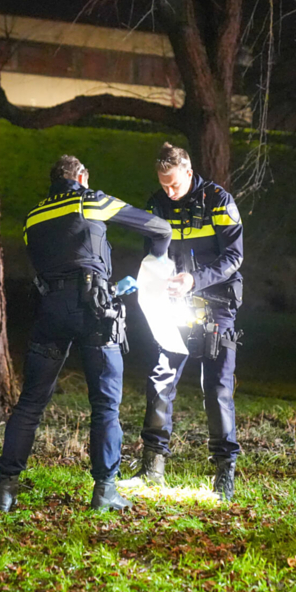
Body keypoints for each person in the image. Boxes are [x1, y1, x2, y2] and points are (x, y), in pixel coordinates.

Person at [0, 155, 172, 512]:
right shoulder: (89, 199)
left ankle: (5, 490)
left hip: (49, 310)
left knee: (30, 403)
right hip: (94, 312)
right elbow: (159, 227)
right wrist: (158, 263)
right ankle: (105, 489)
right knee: (105, 405)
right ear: (80, 176)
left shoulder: (33, 216)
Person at [120, 143, 244, 501]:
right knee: (161, 377)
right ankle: (152, 467)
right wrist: (150, 280)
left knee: (217, 386)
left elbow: (234, 255)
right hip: (174, 301)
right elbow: (154, 253)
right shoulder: (156, 203)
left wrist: (195, 279)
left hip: (217, 302)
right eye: (163, 184)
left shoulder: (219, 201)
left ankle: (225, 473)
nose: (169, 192)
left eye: (174, 184)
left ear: (189, 172)